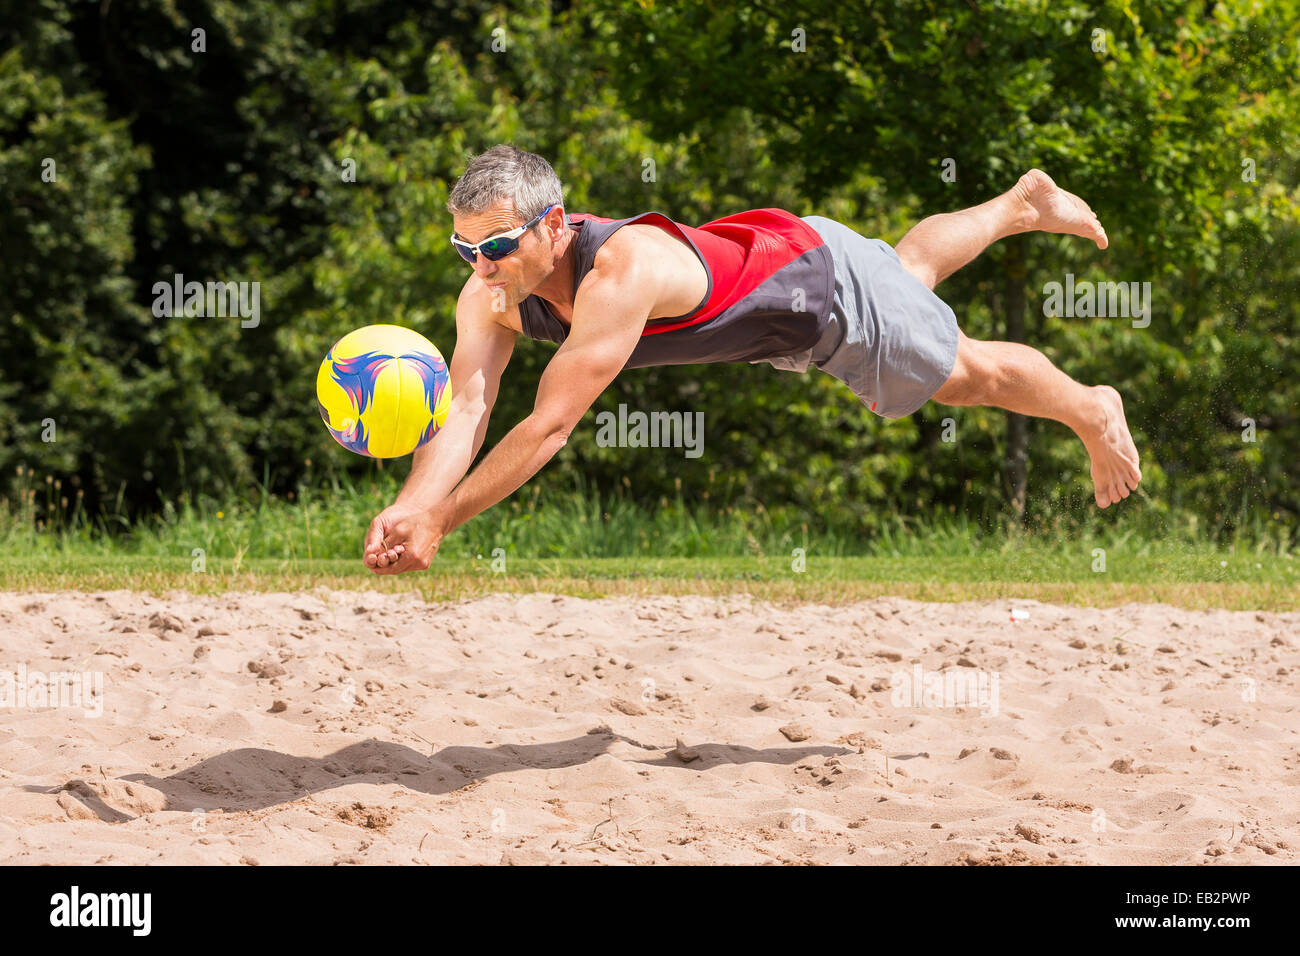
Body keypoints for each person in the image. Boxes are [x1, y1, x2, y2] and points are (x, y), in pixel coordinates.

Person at [363, 144, 1141, 572]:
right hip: (801, 254)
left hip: (823, 298)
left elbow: (548, 427)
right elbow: (466, 405)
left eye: (496, 245)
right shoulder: (490, 292)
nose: (480, 265)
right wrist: (412, 506)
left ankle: (1090, 405)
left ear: (555, 224)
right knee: (907, 275)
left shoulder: (617, 274)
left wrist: (445, 519)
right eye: (465, 248)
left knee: (969, 377)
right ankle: (1017, 206)